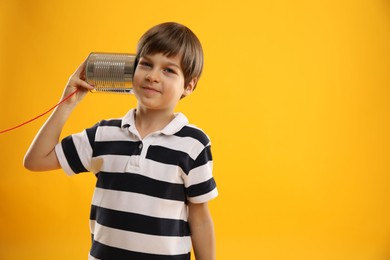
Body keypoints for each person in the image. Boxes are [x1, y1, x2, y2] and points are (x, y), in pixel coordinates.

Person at [24, 22, 218, 260]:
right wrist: (68, 102)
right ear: (131, 69)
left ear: (188, 85)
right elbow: (35, 160)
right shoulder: (103, 135)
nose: (152, 76)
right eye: (146, 64)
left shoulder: (194, 144)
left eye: (169, 70)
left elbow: (199, 219)